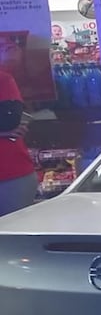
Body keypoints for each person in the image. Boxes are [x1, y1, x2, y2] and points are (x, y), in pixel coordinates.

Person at [0, 68, 37, 216]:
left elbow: (10, 121)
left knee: (14, 234)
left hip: (10, 177)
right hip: (13, 177)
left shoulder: (3, 80)